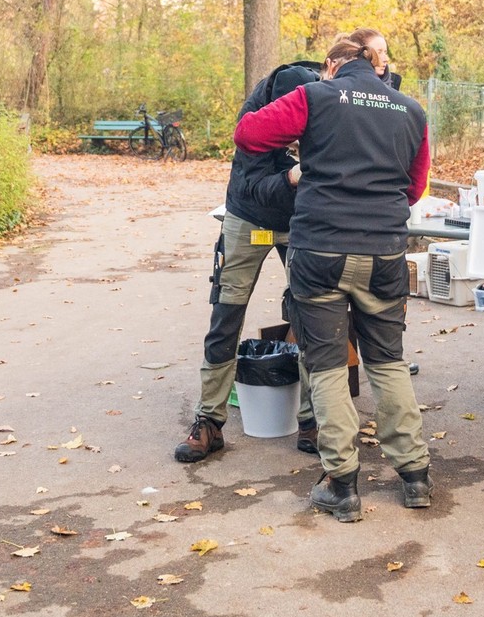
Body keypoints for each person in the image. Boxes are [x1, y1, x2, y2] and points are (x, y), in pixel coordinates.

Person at [234, 30, 431, 523]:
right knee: (388, 360)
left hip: (321, 249)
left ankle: (341, 484)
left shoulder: (315, 95)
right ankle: (415, 475)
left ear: (331, 66)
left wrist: (306, 160)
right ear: (379, 66)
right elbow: (415, 188)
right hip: (385, 252)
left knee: (325, 366)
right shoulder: (412, 111)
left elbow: (249, 134)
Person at [175, 61, 322, 463]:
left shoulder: (318, 99)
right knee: (226, 313)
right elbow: (256, 187)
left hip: (301, 221)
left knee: (313, 314)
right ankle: (208, 422)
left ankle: (312, 420)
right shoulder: (254, 119)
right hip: (250, 216)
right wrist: (293, 175)